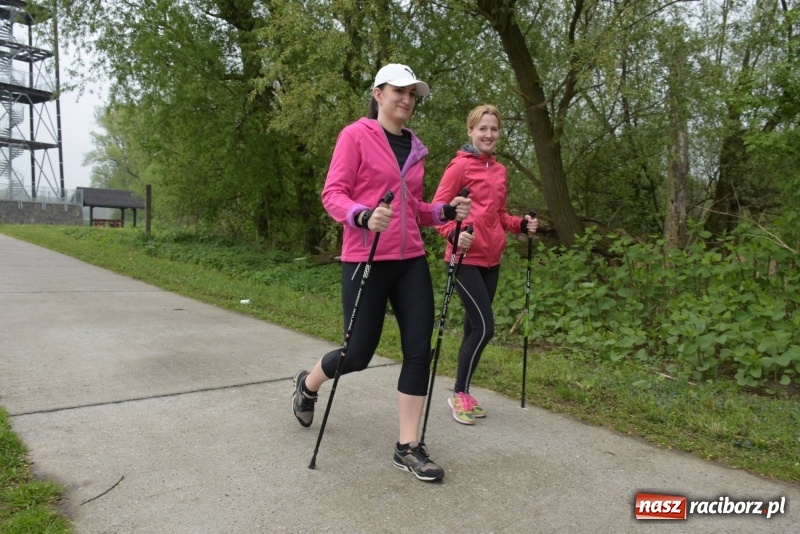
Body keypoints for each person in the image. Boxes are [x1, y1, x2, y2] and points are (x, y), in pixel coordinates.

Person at [291, 63, 471, 482]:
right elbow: (332, 194)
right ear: (378, 93)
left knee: (418, 350)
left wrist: (442, 211)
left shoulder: (416, 148)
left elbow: (414, 209)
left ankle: (408, 447)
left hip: (409, 260)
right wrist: (362, 215)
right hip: (366, 257)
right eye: (399, 92)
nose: (407, 100)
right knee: (357, 354)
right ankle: (308, 383)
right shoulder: (355, 136)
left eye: (413, 94)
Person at [432, 104, 538, 425]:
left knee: (471, 328)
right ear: (470, 131)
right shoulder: (459, 167)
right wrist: (454, 235)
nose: (489, 134)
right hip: (464, 259)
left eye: (494, 129)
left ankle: (463, 392)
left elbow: (500, 216)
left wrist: (522, 225)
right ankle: (459, 395)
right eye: (483, 129)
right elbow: (439, 211)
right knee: (485, 328)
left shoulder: (500, 170)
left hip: (492, 261)